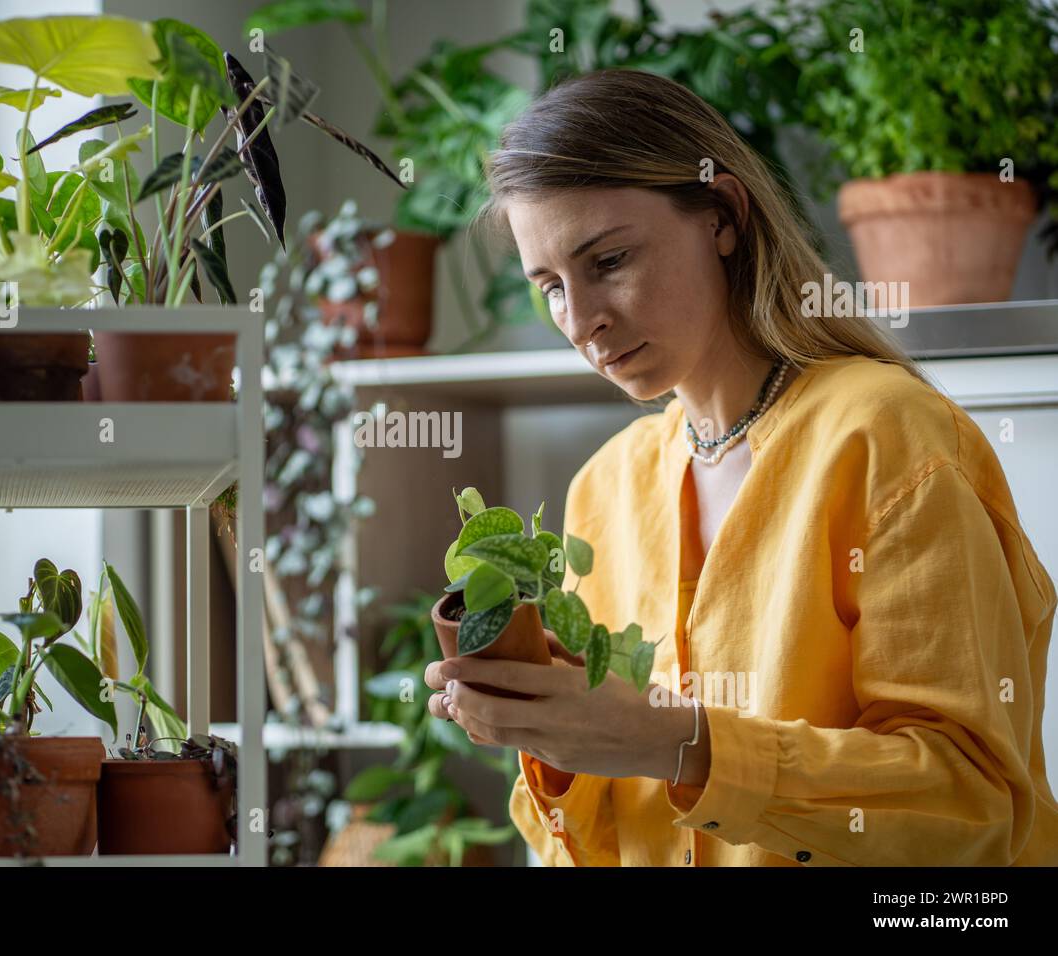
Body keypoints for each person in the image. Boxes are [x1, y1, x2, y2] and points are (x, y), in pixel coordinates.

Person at [424, 68, 1058, 866]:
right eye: (551, 286)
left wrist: (685, 745)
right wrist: (557, 741)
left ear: (722, 215)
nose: (583, 322)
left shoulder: (887, 437)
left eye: (609, 260)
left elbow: (971, 809)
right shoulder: (604, 489)